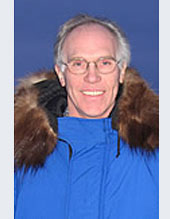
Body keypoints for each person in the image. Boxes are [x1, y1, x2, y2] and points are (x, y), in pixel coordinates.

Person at [14, 14, 159, 219]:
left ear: (121, 71)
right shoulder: (16, 154)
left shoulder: (157, 152)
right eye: (78, 63)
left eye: (105, 63)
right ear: (61, 74)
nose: (92, 76)